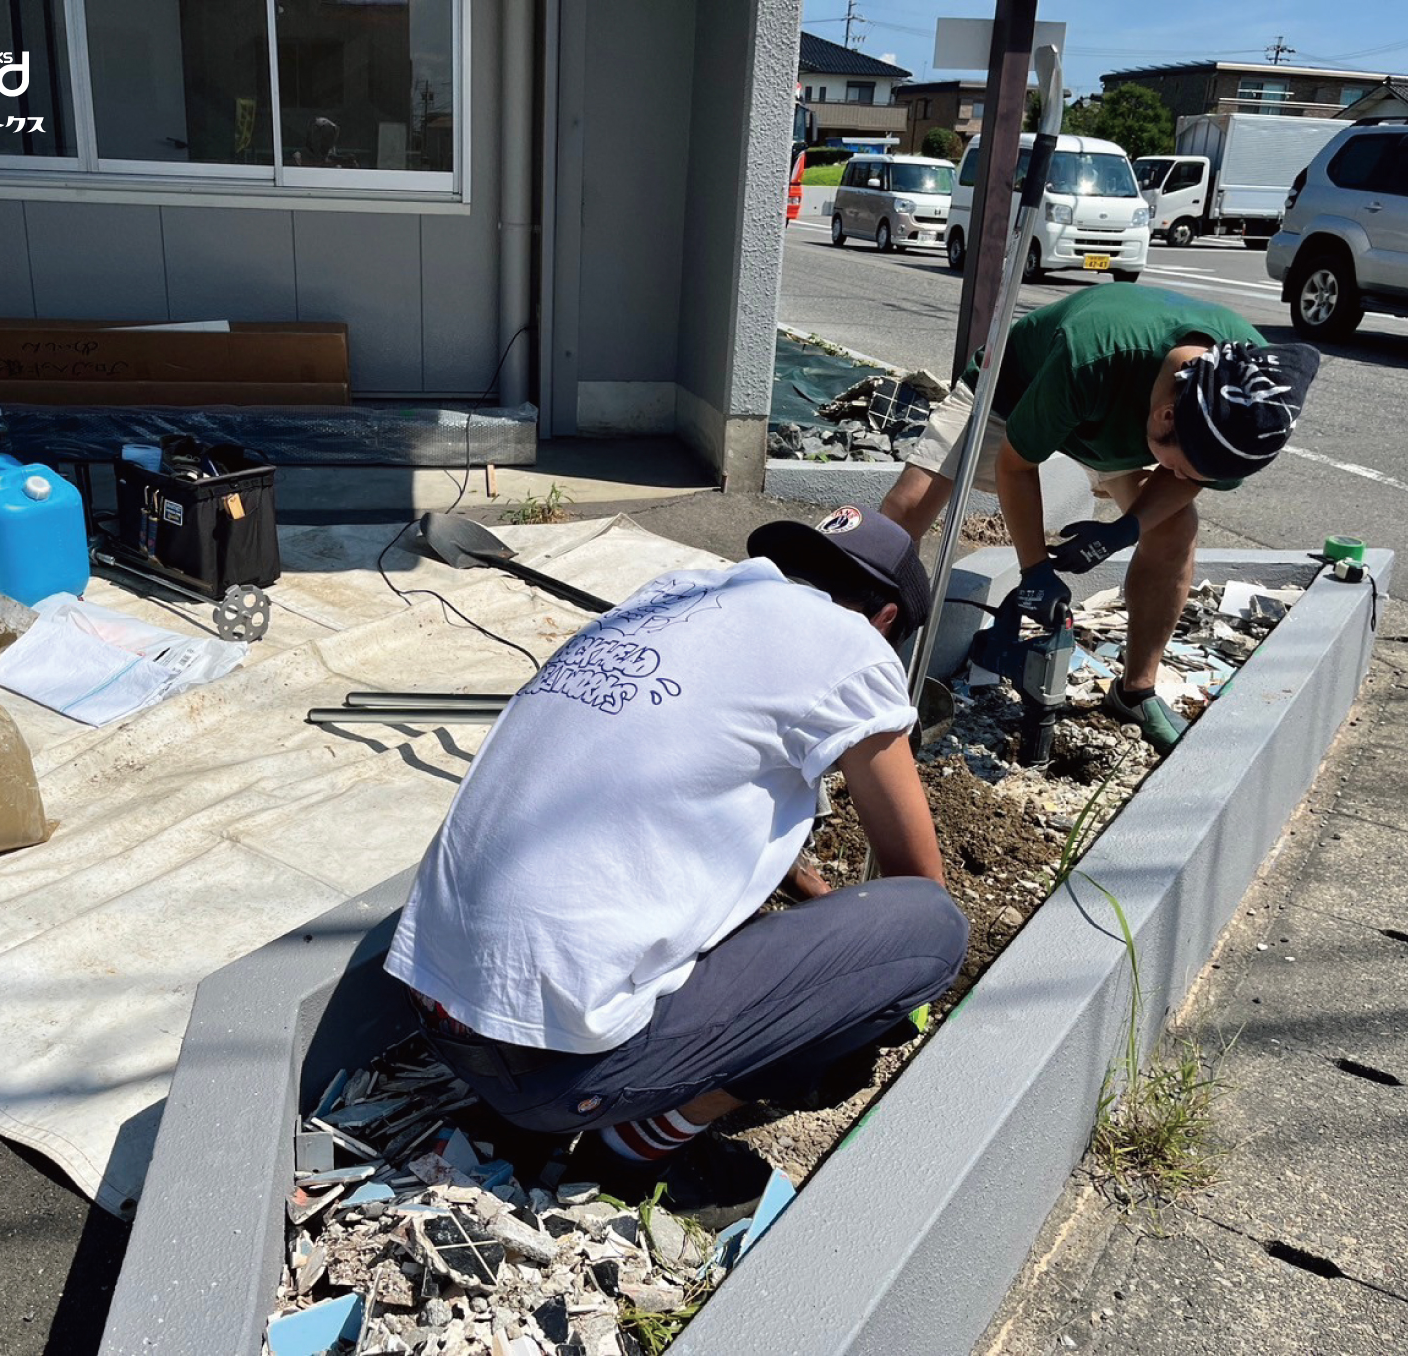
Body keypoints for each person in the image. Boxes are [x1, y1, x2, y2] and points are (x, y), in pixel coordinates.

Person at [383, 506, 969, 1205]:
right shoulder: (851, 641)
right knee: (931, 933)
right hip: (550, 1078)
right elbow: (917, 883)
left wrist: (814, 898)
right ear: (886, 620)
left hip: (436, 1005)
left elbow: (688, 788)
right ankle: (634, 1146)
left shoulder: (671, 596)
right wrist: (853, 995)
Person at [880, 285, 1320, 752]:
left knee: (1175, 529)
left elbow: (1188, 479)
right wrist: (1034, 569)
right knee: (907, 508)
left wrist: (1123, 529)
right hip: (1016, 391)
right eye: (1173, 466)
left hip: (1118, 428)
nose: (1169, 477)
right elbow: (1016, 466)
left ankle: (1135, 691)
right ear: (1166, 415)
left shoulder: (1249, 397)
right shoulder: (1091, 355)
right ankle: (844, 638)